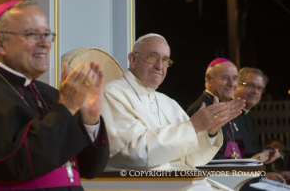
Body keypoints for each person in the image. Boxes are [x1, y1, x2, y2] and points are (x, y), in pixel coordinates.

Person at [0, 0, 109, 191]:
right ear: (0, 42)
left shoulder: (51, 95)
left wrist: (90, 119)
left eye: (47, 34)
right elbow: (18, 165)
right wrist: (67, 107)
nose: (45, 43)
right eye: (32, 34)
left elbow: (91, 169)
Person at [101, 33, 244, 172]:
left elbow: (192, 160)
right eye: (152, 57)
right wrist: (193, 126)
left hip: (179, 181)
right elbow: (134, 154)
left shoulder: (168, 102)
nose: (159, 66)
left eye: (165, 61)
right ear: (133, 60)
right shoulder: (113, 94)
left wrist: (209, 132)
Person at [186, 59, 278, 162]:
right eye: (225, 78)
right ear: (209, 79)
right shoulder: (202, 108)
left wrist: (261, 158)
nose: (231, 84)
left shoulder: (227, 107)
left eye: (234, 79)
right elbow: (200, 158)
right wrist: (248, 164)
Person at [234, 67, 288, 184]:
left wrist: (271, 172)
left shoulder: (250, 119)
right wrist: (263, 176)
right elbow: (229, 165)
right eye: (250, 85)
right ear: (236, 85)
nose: (255, 92)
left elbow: (252, 157)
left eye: (259, 88)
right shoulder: (227, 117)